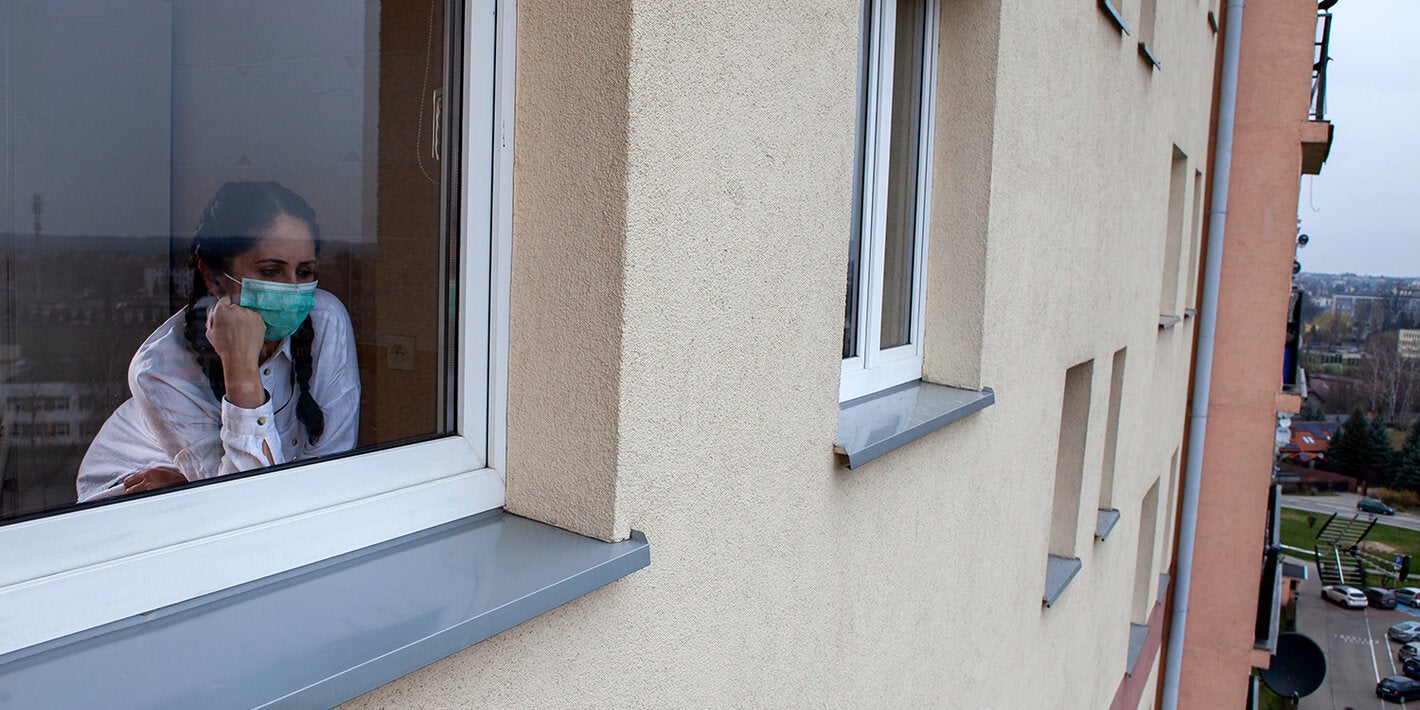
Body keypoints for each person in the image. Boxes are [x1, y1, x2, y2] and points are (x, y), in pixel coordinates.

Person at [76, 182, 359, 502]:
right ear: (213, 277)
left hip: (206, 499)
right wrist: (240, 366)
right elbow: (244, 504)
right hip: (126, 502)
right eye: (271, 271)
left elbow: (330, 470)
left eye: (304, 272)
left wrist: (191, 486)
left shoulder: (326, 320)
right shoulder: (160, 368)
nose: (293, 289)